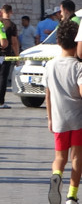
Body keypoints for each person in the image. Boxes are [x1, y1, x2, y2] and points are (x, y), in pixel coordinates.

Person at [47, 19, 82, 204]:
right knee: (77, 157)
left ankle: (57, 175)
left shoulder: (50, 65)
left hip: (59, 119)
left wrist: (50, 118)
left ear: (58, 41)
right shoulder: (78, 66)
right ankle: (72, 195)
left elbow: (48, 94)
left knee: (60, 157)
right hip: (78, 119)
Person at [0, 5, 20, 110]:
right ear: (10, 12)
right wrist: (17, 57)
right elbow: (14, 43)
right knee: (3, 78)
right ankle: (0, 101)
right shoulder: (12, 25)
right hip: (6, 54)